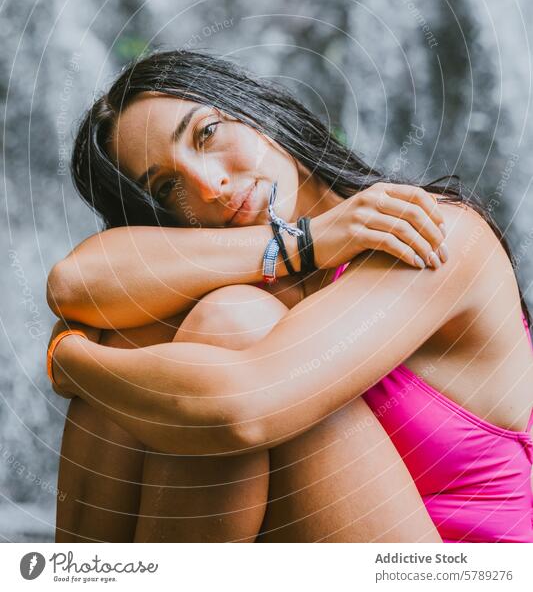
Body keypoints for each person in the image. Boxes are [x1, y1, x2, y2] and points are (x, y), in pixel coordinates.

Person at [46, 49, 533, 543]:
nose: (209, 185)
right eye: (169, 186)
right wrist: (305, 242)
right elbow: (73, 285)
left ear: (258, 109)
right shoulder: (257, 271)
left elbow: (242, 411)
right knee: (135, 328)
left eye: (207, 133)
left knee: (233, 324)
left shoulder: (433, 232)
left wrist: (71, 360)